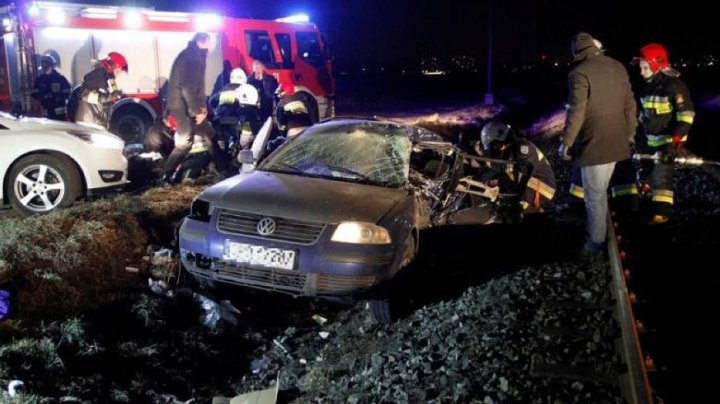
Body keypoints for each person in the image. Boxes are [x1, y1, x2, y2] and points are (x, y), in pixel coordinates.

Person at [558, 33, 636, 257]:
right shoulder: (618, 67)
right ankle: (597, 234)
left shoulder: (578, 72)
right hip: (617, 140)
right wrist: (629, 134)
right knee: (599, 191)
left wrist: (567, 141)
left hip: (594, 143)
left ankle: (594, 244)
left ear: (576, 52)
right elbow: (630, 106)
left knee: (594, 196)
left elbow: (577, 111)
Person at [632, 43, 695, 224]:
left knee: (662, 178)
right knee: (647, 176)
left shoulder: (674, 86)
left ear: (656, 65)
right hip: (649, 141)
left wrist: (676, 139)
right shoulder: (645, 87)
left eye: (645, 67)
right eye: (640, 68)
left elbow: (686, 116)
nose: (641, 72)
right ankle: (649, 213)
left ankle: (661, 217)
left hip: (669, 142)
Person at [162, 32, 213, 184]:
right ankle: (166, 175)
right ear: (202, 42)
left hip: (182, 106)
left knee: (209, 136)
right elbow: (188, 87)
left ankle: (167, 175)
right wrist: (197, 110)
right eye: (209, 43)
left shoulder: (189, 55)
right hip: (184, 108)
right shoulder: (193, 57)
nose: (211, 47)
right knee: (186, 142)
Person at [479, 120, 556, 213]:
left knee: (511, 207)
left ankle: (529, 209)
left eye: (494, 144)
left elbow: (520, 176)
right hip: (529, 185)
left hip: (543, 188)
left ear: (500, 140)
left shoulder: (523, 148)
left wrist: (505, 194)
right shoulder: (509, 151)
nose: (495, 148)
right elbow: (505, 173)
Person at [74, 52, 128, 127]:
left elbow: (112, 93)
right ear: (113, 66)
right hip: (88, 123)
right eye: (119, 70)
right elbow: (84, 94)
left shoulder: (109, 78)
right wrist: (109, 97)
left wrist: (116, 94)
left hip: (96, 122)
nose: (119, 73)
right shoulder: (98, 75)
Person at [31, 54, 71, 121]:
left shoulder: (60, 78)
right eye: (43, 66)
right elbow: (34, 94)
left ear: (52, 66)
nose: (45, 67)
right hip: (46, 114)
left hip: (59, 115)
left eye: (46, 65)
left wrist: (57, 96)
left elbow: (68, 92)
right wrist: (42, 96)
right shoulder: (39, 79)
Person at [247, 60, 278, 125]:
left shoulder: (270, 79)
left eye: (259, 68)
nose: (257, 70)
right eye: (256, 68)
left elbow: (275, 91)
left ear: (263, 68)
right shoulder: (249, 80)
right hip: (253, 105)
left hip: (266, 106)